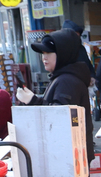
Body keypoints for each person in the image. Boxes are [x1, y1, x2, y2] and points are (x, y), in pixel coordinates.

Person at [17, 29, 93, 157]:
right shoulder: (64, 77)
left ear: (63, 53)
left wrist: (33, 101)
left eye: (49, 52)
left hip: (69, 157)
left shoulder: (67, 81)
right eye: (43, 53)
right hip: (69, 154)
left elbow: (59, 118)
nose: (44, 57)